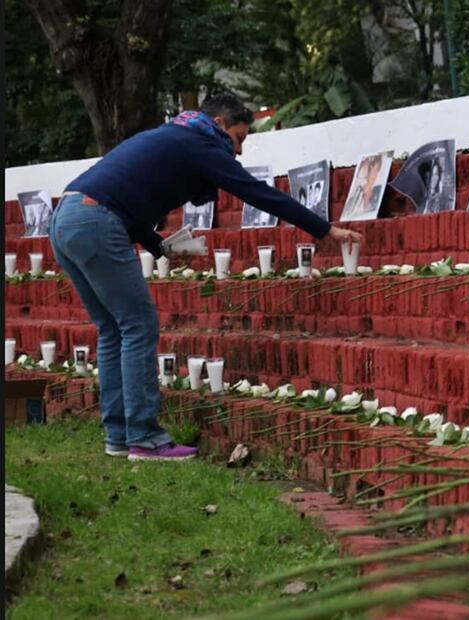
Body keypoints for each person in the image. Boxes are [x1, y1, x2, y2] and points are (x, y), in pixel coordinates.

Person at [51, 93, 361, 462]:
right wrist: (323, 229)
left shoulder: (175, 136)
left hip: (68, 217)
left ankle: (119, 435)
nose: (240, 151)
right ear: (219, 124)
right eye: (240, 137)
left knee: (113, 328)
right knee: (138, 325)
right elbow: (257, 192)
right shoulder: (200, 141)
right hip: (96, 220)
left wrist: (159, 246)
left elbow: (123, 196)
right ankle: (145, 438)